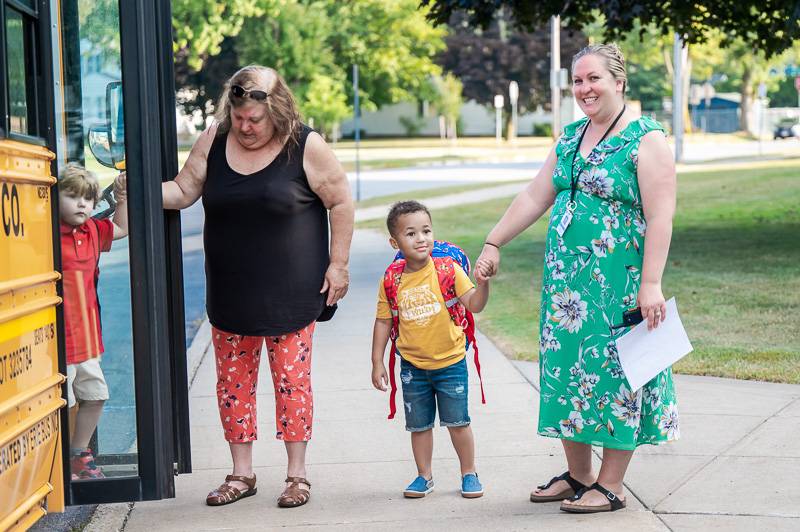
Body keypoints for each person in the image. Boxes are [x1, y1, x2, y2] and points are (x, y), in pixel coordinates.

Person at [476, 43, 679, 513]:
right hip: (568, 288)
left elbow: (661, 217)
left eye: (594, 79)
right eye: (578, 81)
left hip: (620, 282)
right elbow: (534, 195)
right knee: (569, 373)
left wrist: (651, 284)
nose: (584, 89)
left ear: (619, 81)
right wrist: (493, 241)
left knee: (618, 376)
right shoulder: (570, 137)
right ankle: (579, 474)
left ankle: (611, 484)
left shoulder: (646, 139)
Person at [161, 65, 354, 507]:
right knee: (232, 386)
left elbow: (340, 201)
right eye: (239, 117)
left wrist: (338, 265)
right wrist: (139, 189)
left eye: (255, 120)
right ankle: (241, 475)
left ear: (278, 111)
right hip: (230, 292)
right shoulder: (214, 138)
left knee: (291, 383)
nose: (245, 127)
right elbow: (184, 189)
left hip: (292, 293)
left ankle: (296, 476)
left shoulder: (306, 145)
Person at [371, 201, 491, 499]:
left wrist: (484, 284)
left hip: (451, 363)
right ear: (394, 242)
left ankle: (469, 472)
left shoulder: (448, 270)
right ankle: (424, 476)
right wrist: (377, 361)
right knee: (419, 426)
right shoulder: (391, 279)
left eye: (426, 230)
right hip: (413, 367)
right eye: (411, 233)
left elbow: (474, 304)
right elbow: (383, 321)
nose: (421, 238)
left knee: (458, 423)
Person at [59, 163, 128, 480]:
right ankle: (59, 460)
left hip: (87, 336)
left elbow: (121, 228)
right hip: (58, 338)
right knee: (66, 402)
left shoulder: (91, 231)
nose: (82, 205)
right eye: (73, 197)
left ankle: (78, 453)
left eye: (88, 199)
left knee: (96, 395)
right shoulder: (48, 235)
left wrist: (124, 197)